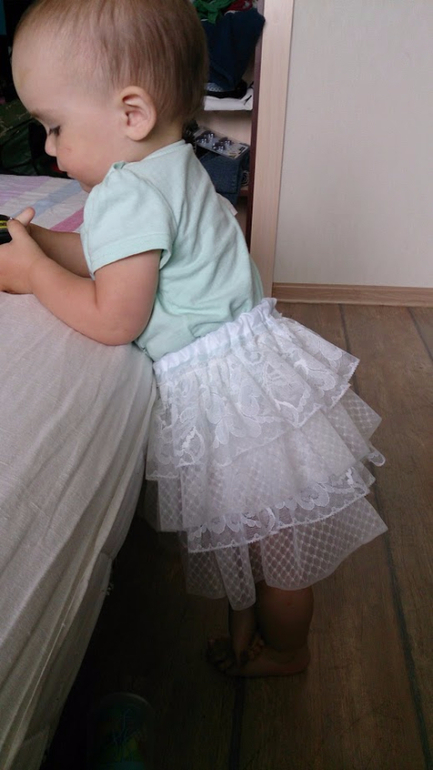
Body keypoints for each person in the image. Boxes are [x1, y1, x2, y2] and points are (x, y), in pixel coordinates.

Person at [0, 0, 387, 677]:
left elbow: (114, 316)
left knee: (279, 561)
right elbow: (113, 257)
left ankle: (288, 654)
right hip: (255, 378)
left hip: (226, 402)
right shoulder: (174, 164)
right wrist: (36, 244)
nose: (51, 148)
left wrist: (34, 274)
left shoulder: (125, 193)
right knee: (267, 540)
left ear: (131, 113)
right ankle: (254, 635)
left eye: (54, 127)